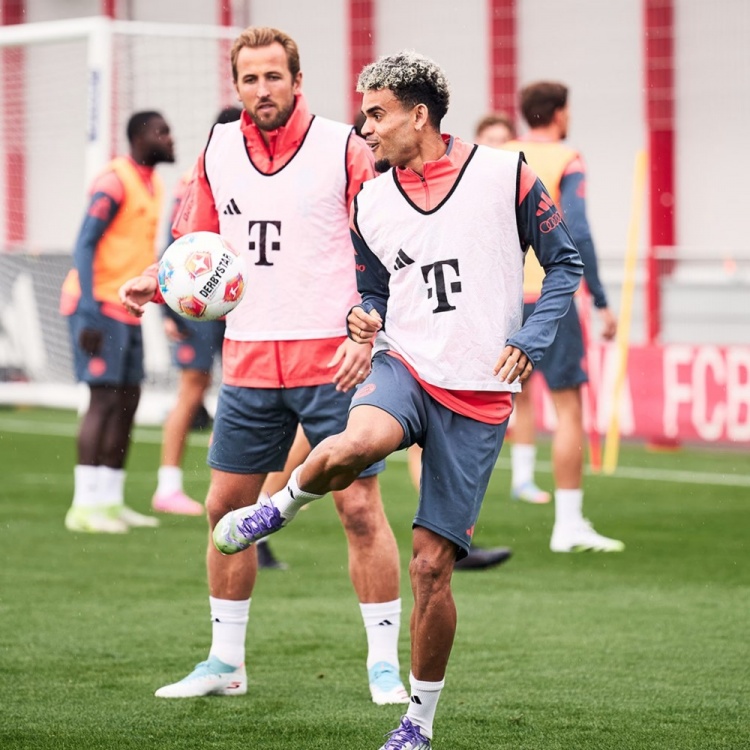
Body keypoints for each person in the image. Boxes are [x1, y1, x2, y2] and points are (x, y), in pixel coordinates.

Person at [212, 51, 584, 749]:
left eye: (376, 114)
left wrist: (531, 337)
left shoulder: (505, 175)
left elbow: (565, 262)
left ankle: (418, 722)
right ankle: (278, 508)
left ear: (419, 115)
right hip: (404, 364)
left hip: (479, 389)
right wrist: (366, 316)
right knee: (356, 444)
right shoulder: (372, 201)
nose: (365, 128)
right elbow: (375, 288)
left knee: (431, 569)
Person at [118, 26, 407, 704]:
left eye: (274, 76)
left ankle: (384, 666)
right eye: (250, 78)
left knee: (359, 508)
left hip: (334, 359)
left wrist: (370, 327)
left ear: (297, 81)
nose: (262, 89)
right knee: (224, 508)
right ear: (237, 85)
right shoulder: (217, 148)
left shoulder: (343, 147)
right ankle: (225, 662)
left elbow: (387, 241)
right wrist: (157, 279)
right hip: (248, 360)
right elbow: (196, 242)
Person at [503, 81, 624, 552]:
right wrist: (600, 298)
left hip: (499, 299)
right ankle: (568, 524)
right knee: (567, 406)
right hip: (548, 297)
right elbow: (579, 229)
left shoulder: (498, 156)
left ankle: (455, 523)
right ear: (558, 113)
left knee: (483, 405)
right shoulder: (567, 159)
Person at [403, 112, 519, 572]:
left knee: (326, 446)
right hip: (397, 330)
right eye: (491, 141)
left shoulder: (496, 184)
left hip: (474, 324)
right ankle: (444, 533)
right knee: (334, 447)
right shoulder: (384, 189)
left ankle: (445, 533)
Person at [60, 111, 175, 533]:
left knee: (128, 400)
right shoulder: (113, 181)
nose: (170, 138)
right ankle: (83, 506)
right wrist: (89, 310)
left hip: (126, 309)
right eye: (162, 131)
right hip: (96, 306)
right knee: (103, 400)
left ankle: (109, 502)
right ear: (140, 137)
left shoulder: (154, 184)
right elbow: (84, 244)